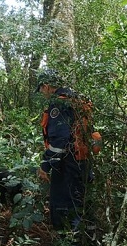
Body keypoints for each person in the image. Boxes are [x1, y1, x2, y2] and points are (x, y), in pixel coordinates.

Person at [35, 69, 101, 233]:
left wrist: (45, 165)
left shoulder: (59, 104)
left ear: (47, 86)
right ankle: (90, 242)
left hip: (68, 163)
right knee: (82, 202)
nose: (42, 93)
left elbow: (60, 139)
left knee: (63, 206)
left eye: (41, 89)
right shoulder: (78, 99)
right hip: (84, 160)